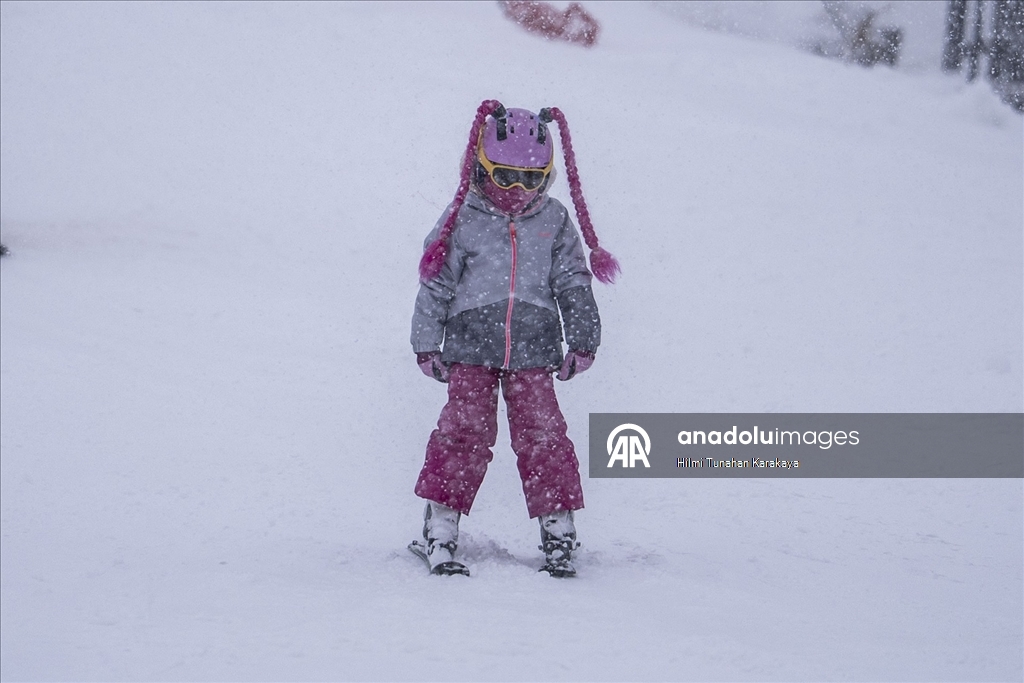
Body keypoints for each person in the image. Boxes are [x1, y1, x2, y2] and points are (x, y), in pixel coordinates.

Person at [409, 100, 618, 577]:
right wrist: (426, 343)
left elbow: (573, 280)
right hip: (469, 350)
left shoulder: (554, 220)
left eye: (532, 179)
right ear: (480, 169)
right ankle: (441, 527)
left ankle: (558, 530)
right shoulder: (463, 217)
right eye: (504, 177)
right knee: (463, 434)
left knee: (544, 436)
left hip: (534, 350)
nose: (518, 191)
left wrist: (582, 339)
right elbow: (436, 281)